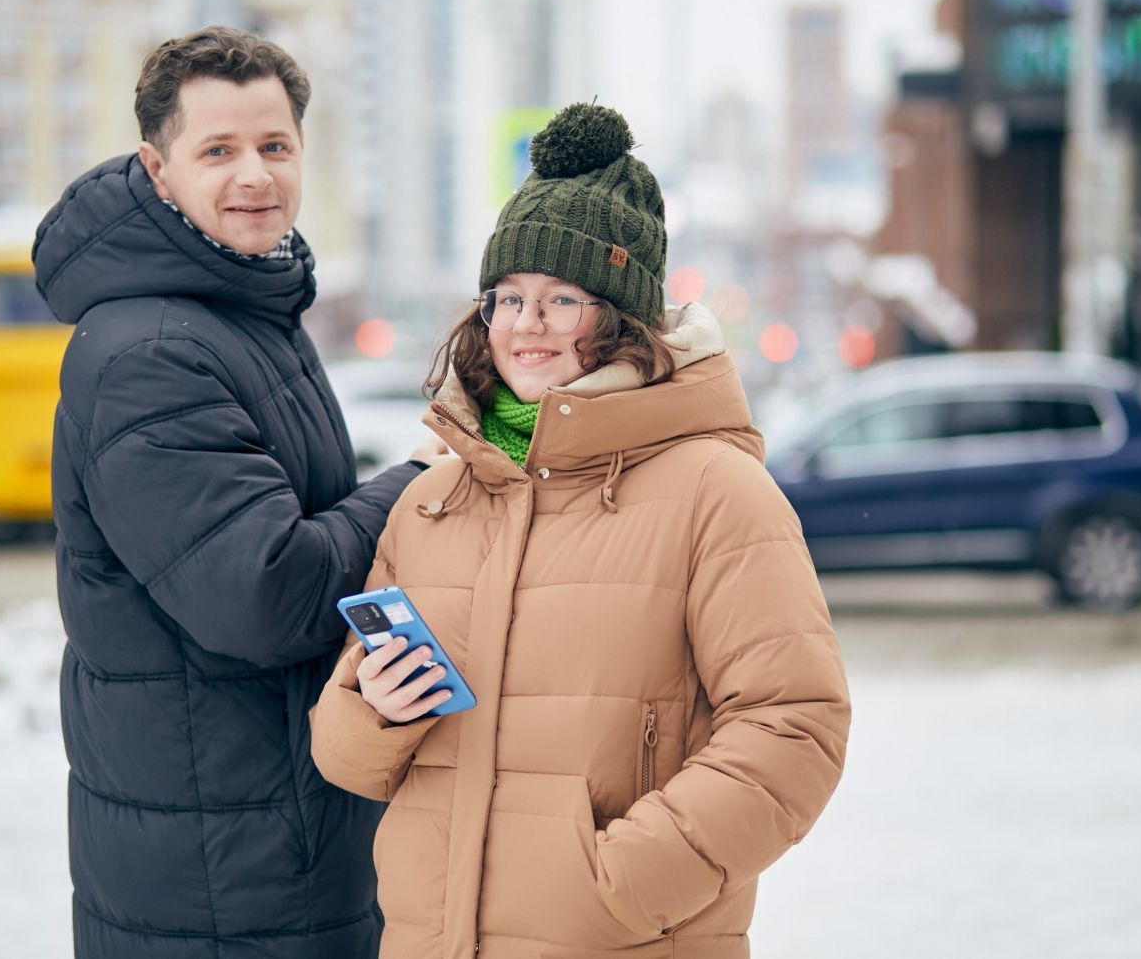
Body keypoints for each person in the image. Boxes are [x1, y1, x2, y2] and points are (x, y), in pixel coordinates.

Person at [309, 102, 851, 958]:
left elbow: (793, 729)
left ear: (623, 318)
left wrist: (619, 886)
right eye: (509, 298)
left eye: (562, 299)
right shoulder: (434, 502)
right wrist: (375, 710)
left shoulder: (716, 492)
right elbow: (344, 756)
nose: (527, 325)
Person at [33, 26, 445, 959]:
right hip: (223, 870)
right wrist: (421, 483)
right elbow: (265, 595)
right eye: (218, 150)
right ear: (158, 168)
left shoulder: (241, 310)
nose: (254, 175)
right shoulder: (151, 353)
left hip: (263, 827)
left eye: (274, 146)